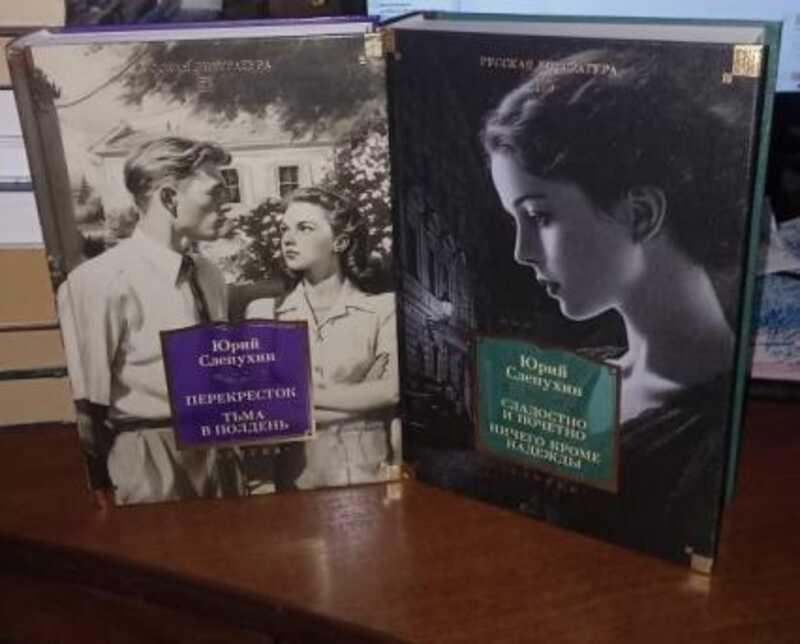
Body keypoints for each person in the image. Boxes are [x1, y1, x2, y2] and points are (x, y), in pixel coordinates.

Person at [480, 48, 746, 560]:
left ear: (640, 214)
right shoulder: (584, 376)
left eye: (539, 216)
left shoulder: (711, 444)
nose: (521, 253)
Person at [59, 136, 236, 505]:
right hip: (148, 460)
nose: (227, 202)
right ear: (169, 198)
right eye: (215, 192)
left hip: (219, 452)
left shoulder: (209, 274)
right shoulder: (99, 281)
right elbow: (85, 409)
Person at [246, 186, 400, 490]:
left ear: (340, 241)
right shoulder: (264, 312)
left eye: (304, 228)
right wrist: (362, 399)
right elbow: (262, 406)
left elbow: (392, 391)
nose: (288, 239)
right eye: (284, 229)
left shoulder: (383, 309)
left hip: (370, 476)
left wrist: (295, 398)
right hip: (294, 479)